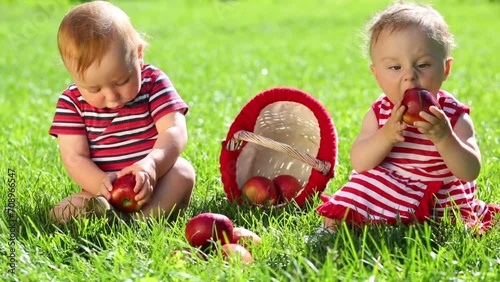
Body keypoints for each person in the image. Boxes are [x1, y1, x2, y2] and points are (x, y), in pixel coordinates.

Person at [317, 2, 499, 232]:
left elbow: (470, 170)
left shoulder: (452, 115)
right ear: (377, 75)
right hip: (389, 189)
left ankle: (389, 220)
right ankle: (336, 228)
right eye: (395, 67)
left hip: (438, 199)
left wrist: (445, 138)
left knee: (443, 214)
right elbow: (360, 162)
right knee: (361, 184)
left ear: (445, 69)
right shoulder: (380, 113)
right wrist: (386, 136)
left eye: (423, 65)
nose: (410, 77)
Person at [49, 1, 195, 224]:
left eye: (122, 81)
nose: (112, 96)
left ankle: (138, 222)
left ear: (138, 54)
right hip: (102, 192)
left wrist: (152, 165)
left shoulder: (153, 83)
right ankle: (111, 215)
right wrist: (100, 183)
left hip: (155, 184)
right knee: (64, 210)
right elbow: (75, 158)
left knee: (183, 173)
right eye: (94, 89)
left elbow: (174, 130)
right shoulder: (72, 102)